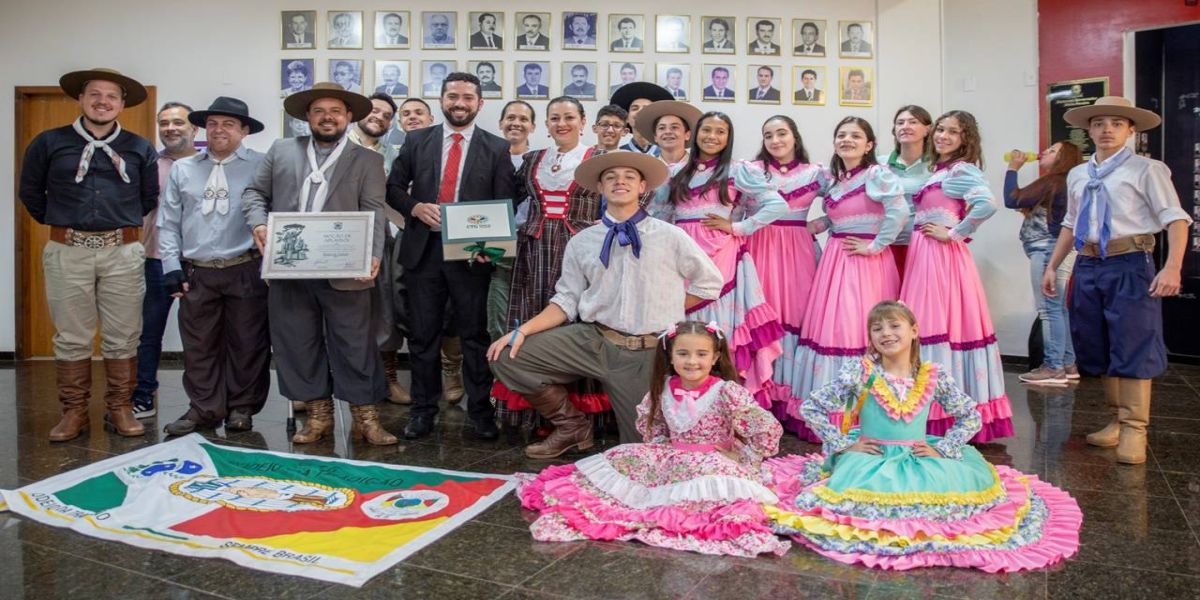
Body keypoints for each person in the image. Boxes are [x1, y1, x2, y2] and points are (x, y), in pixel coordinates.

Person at [768, 301, 1082, 572]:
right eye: (877, 329)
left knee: (938, 508)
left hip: (919, 456)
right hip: (871, 459)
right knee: (854, 508)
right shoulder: (860, 372)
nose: (886, 333)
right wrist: (844, 444)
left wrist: (946, 447)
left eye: (894, 325)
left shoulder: (933, 375)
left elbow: (970, 414)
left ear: (914, 330)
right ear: (871, 338)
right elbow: (813, 407)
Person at [488, 151, 723, 453]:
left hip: (645, 353)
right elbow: (566, 300)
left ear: (642, 187)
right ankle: (572, 426)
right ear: (600, 188)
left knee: (641, 452)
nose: (619, 182)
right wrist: (521, 331)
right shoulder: (582, 241)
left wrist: (669, 306)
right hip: (593, 340)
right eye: (610, 177)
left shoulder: (670, 236)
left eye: (628, 176)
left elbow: (710, 283)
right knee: (507, 357)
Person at [516, 321, 787, 556]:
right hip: (673, 458)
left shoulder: (727, 391)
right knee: (616, 476)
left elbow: (763, 427)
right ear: (670, 357)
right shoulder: (663, 387)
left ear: (715, 357)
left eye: (701, 354)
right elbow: (655, 426)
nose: (692, 361)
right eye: (683, 353)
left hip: (712, 461)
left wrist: (746, 458)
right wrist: (658, 454)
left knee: (702, 506)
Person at [242, 82, 395, 445]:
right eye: (319, 111)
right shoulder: (281, 151)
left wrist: (372, 255)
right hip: (290, 268)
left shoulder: (368, 160)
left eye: (335, 111)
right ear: (307, 117)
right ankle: (318, 416)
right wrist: (258, 223)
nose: (328, 118)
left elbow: (373, 210)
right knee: (298, 342)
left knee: (355, 344)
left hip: (347, 268)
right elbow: (254, 193)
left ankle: (366, 418)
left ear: (348, 117)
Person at [1043, 96, 1190, 464]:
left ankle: (1135, 428)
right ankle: (1116, 421)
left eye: (1116, 123)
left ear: (1130, 130)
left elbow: (1175, 218)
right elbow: (1070, 223)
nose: (1107, 129)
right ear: (1088, 129)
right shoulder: (1078, 174)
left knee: (1134, 343)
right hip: (1089, 264)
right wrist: (1053, 265)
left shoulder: (1147, 169)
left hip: (1130, 262)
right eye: (1099, 123)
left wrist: (1172, 267)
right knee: (1097, 343)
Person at [20, 68, 157, 442]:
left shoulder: (139, 147)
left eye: (111, 96)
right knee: (72, 336)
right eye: (95, 94)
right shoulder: (49, 143)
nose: (103, 101)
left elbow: (148, 198)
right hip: (68, 251)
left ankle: (120, 408)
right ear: (80, 100)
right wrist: (66, 223)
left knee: (124, 335)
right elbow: (30, 193)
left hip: (122, 251)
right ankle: (74, 413)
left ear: (121, 104)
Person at [387, 72, 516, 441]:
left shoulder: (496, 148)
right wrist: (413, 207)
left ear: (480, 103)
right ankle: (423, 411)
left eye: (468, 97)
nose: (459, 103)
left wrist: (489, 247)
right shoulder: (417, 140)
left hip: (472, 256)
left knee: (474, 336)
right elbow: (393, 188)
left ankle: (480, 412)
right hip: (423, 251)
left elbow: (504, 203)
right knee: (424, 337)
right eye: (452, 96)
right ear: (442, 99)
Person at [647, 109, 787, 407]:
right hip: (682, 254)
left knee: (718, 326)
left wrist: (738, 227)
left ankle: (724, 404)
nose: (712, 136)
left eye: (720, 132)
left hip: (720, 254)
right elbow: (659, 214)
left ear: (728, 138)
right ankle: (686, 403)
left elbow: (776, 205)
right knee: (683, 323)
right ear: (695, 134)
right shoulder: (677, 171)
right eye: (706, 130)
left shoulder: (737, 170)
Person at [786, 117, 907, 442]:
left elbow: (899, 212)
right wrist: (820, 224)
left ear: (869, 145)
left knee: (855, 327)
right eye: (841, 135)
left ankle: (863, 414)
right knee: (830, 326)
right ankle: (829, 411)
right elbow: (845, 213)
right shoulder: (837, 180)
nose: (847, 140)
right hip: (836, 258)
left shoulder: (877, 174)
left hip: (865, 263)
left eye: (856, 136)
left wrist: (875, 246)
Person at [492, 97, 608, 431]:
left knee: (575, 323)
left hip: (581, 251)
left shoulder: (600, 159)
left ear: (583, 121)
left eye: (569, 117)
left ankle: (579, 419)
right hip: (534, 252)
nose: (562, 123)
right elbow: (506, 205)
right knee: (532, 320)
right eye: (555, 118)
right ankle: (540, 412)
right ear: (546, 124)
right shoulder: (532, 160)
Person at [157, 97, 269, 435]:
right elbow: (168, 221)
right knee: (199, 345)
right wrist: (170, 266)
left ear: (244, 130)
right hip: (198, 270)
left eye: (229, 124)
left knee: (248, 342)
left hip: (245, 267)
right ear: (204, 128)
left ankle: (241, 407)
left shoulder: (262, 166)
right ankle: (204, 408)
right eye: (214, 123)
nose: (220, 130)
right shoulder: (184, 168)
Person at [900, 110, 1012, 442]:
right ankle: (928, 405)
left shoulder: (961, 170)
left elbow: (987, 205)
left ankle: (942, 412)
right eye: (941, 130)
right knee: (926, 322)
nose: (943, 136)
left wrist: (955, 233)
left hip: (940, 256)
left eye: (953, 132)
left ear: (966, 139)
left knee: (936, 323)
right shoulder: (940, 170)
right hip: (925, 253)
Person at [746, 116, 828, 431]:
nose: (776, 140)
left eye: (782, 133)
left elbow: (844, 204)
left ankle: (790, 400)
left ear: (795, 136)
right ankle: (758, 400)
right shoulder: (751, 171)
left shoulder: (816, 173)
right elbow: (736, 208)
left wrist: (817, 225)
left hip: (799, 253)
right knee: (760, 319)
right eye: (768, 135)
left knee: (796, 318)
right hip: (758, 248)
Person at [133, 102, 197, 420]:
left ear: (194, 129)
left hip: (199, 263)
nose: (170, 128)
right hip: (154, 260)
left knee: (202, 336)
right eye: (164, 123)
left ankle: (203, 402)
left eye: (178, 122)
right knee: (148, 333)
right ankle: (143, 395)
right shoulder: (148, 165)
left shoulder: (208, 164)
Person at [348, 93, 411, 406]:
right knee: (337, 312)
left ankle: (388, 379)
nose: (380, 118)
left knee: (384, 309)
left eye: (387, 115)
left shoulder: (393, 155)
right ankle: (321, 385)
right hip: (341, 241)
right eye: (374, 111)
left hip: (382, 240)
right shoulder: (337, 146)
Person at [1006, 142, 1084, 385]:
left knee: (1049, 309)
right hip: (1060, 248)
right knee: (1058, 308)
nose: (1044, 153)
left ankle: (1052, 367)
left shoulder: (1055, 180)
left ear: (1063, 158)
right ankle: (1068, 364)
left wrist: (1012, 168)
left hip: (1048, 249)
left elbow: (1012, 199)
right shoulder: (1067, 182)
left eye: (1052, 151)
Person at [882, 105, 933, 275]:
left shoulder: (937, 166)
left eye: (913, 122)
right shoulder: (879, 164)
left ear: (927, 129)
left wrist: (954, 232)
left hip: (923, 246)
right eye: (900, 123)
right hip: (884, 245)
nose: (905, 126)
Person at [611, 82, 672, 157]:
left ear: (655, 118)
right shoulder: (617, 155)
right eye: (635, 108)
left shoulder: (668, 154)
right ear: (627, 118)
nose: (640, 112)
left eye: (646, 108)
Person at [635, 99, 697, 170]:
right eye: (662, 128)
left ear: (687, 135)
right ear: (655, 137)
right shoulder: (647, 168)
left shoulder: (699, 167)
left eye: (674, 127)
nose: (667, 132)